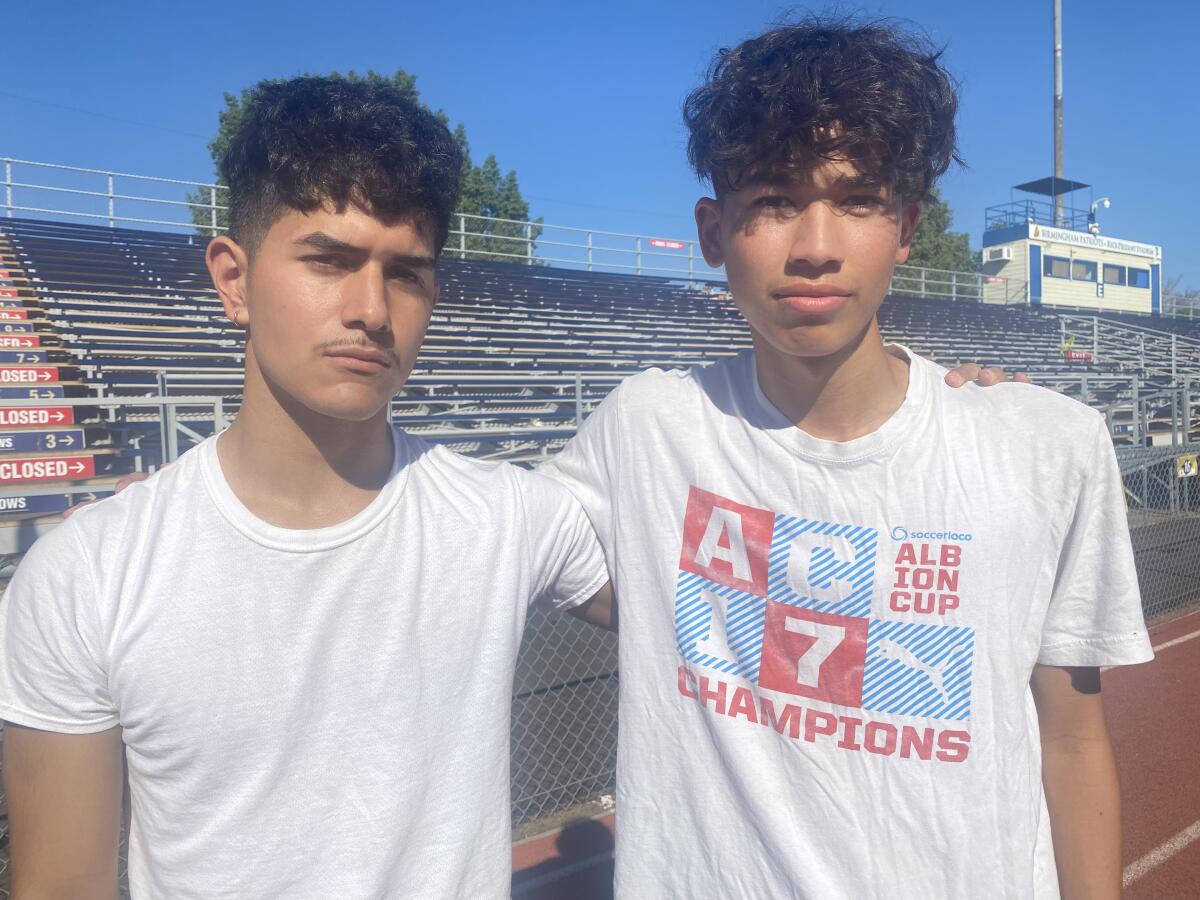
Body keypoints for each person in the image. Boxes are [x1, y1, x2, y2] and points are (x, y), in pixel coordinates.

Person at [542, 17, 1152, 899]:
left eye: (857, 199)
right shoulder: (647, 430)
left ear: (906, 226)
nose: (816, 244)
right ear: (714, 232)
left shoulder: (1047, 445)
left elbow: (1073, 738)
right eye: (775, 200)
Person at [0, 76, 613, 899]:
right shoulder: (86, 575)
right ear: (233, 279)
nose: (371, 309)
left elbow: (719, 618)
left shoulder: (514, 516)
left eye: (407, 273)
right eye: (328, 260)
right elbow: (62, 887)